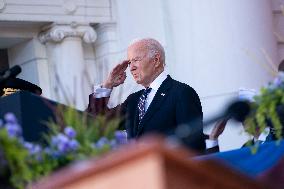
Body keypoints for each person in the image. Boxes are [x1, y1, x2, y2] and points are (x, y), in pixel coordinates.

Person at [87, 38, 205, 152]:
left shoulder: (181, 93)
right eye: (129, 63)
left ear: (156, 60)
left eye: (136, 60)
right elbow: (97, 120)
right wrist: (108, 84)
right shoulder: (133, 101)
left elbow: (193, 146)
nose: (131, 68)